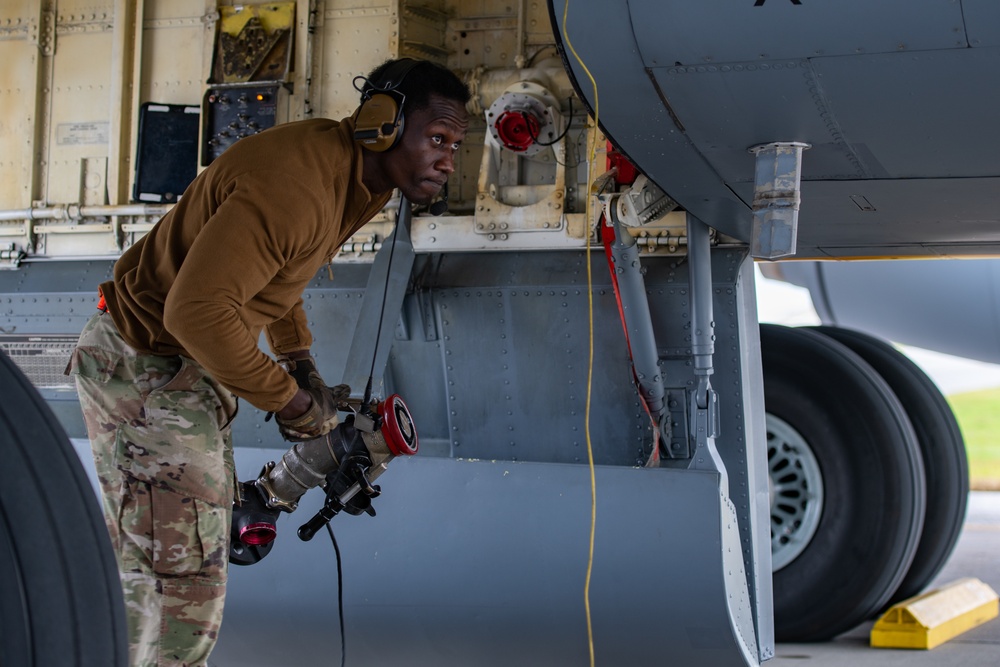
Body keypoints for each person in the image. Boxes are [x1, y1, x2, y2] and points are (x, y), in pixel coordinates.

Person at [67, 58, 470, 666]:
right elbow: (196, 313)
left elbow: (281, 276)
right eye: (437, 139)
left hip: (181, 371)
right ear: (384, 123)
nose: (448, 160)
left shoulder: (350, 177)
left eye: (456, 146)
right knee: (175, 581)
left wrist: (299, 359)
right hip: (147, 367)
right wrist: (290, 400)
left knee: (174, 558)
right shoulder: (300, 185)